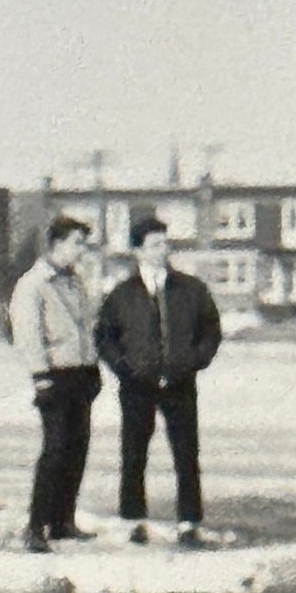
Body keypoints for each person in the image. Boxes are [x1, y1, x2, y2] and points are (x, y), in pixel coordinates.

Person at [95, 215, 222, 547]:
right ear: (138, 250)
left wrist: (193, 361)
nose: (162, 250)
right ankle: (134, 520)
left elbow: (211, 331)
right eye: (154, 245)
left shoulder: (191, 289)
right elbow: (105, 337)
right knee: (134, 452)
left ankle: (189, 522)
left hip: (180, 383)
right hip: (137, 385)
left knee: (186, 454)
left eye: (165, 243)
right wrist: (125, 368)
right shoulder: (122, 294)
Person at [8, 214, 102, 552]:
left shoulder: (74, 282)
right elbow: (28, 334)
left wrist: (93, 369)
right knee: (55, 450)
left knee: (77, 448)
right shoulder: (34, 284)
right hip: (54, 376)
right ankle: (36, 526)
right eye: (77, 243)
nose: (81, 250)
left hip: (81, 374)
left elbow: (85, 326)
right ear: (57, 243)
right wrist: (40, 376)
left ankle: (63, 520)